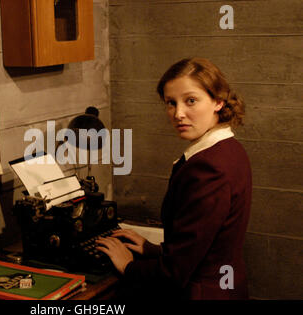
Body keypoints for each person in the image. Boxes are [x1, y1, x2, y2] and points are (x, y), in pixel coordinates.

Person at [96, 57, 252, 300]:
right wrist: (151, 250)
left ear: (218, 101)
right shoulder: (230, 149)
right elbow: (204, 243)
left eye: (191, 100)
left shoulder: (209, 168)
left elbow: (175, 272)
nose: (178, 113)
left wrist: (129, 265)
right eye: (171, 103)